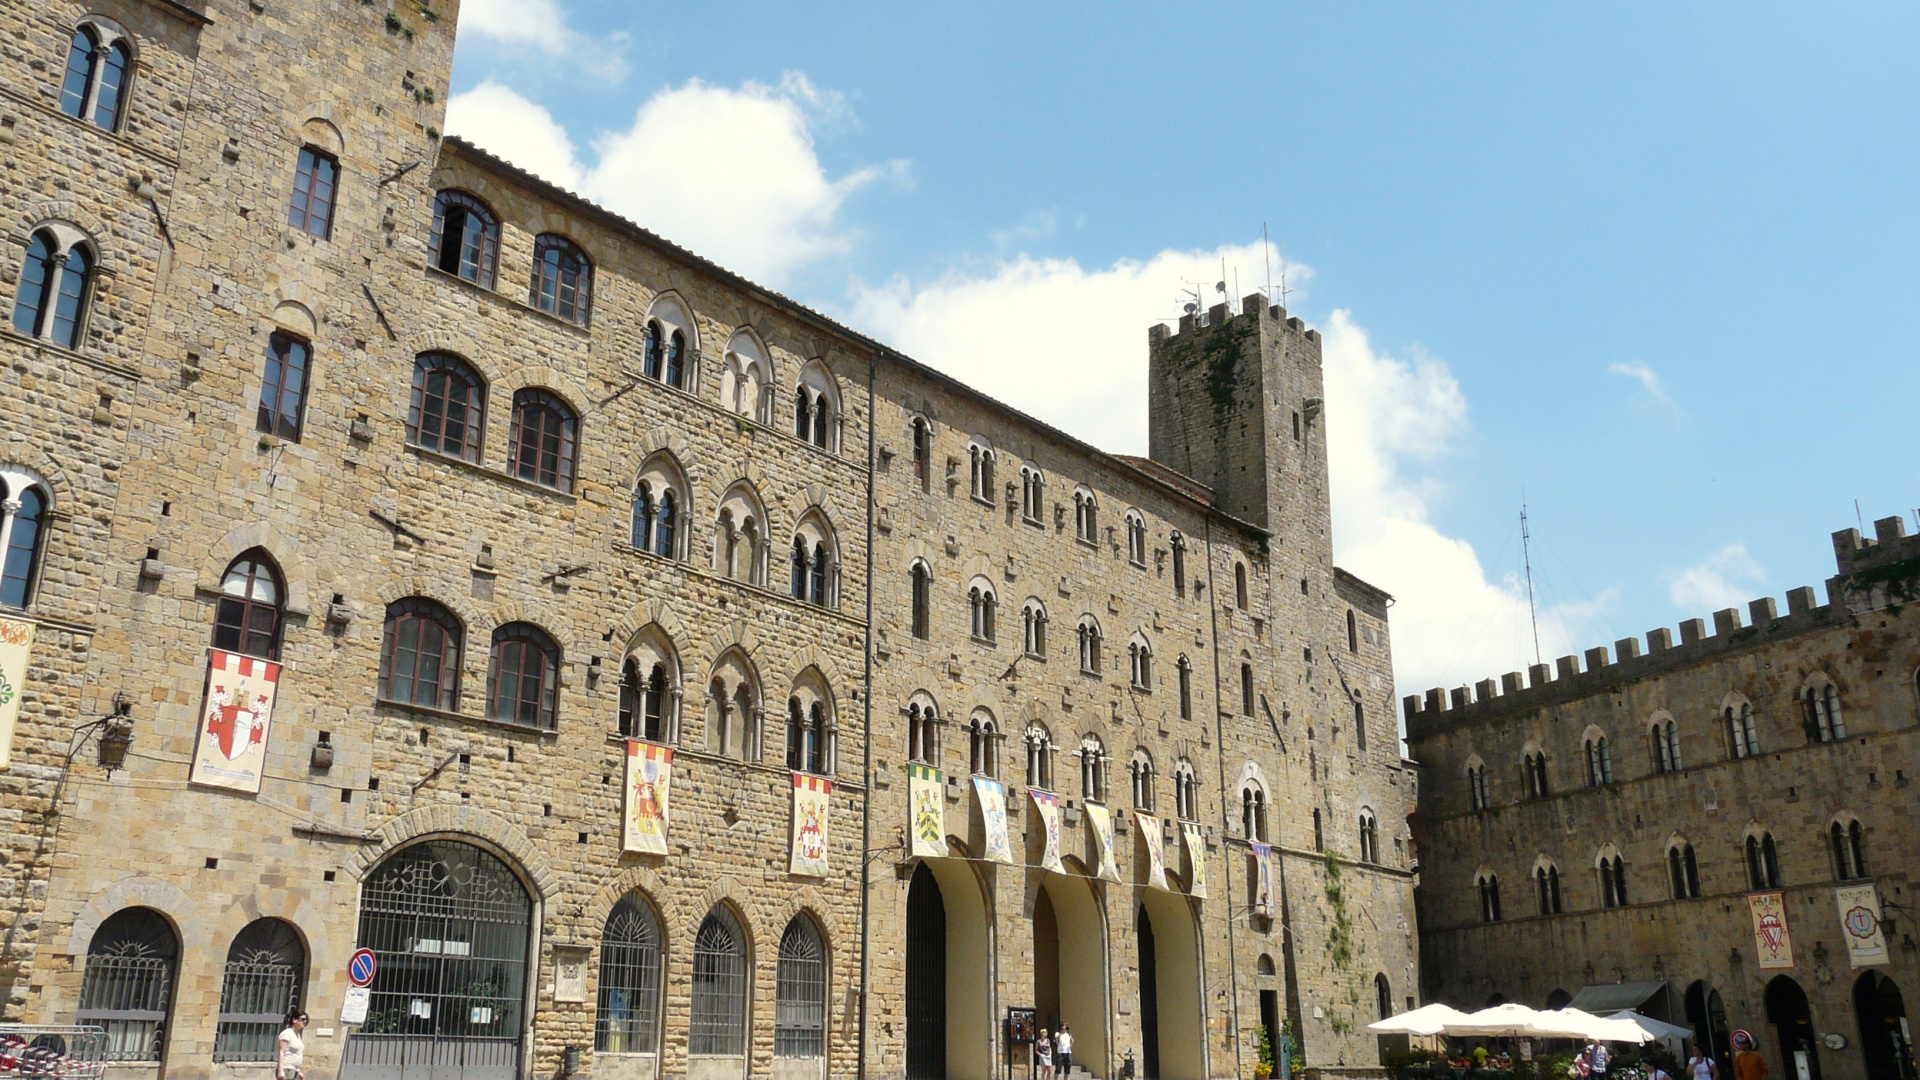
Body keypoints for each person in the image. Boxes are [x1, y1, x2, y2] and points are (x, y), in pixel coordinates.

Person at [277, 1010, 308, 1080]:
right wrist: (280, 1071)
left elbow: (297, 1054)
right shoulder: (287, 1034)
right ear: (294, 1020)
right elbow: (281, 1052)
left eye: (306, 1020)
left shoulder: (298, 1036)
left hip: (295, 1070)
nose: (305, 1021)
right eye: (302, 1019)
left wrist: (299, 1071)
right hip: (287, 1069)